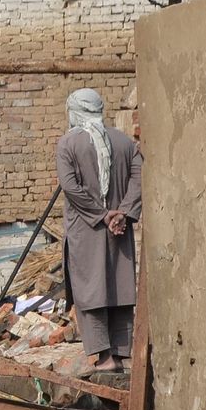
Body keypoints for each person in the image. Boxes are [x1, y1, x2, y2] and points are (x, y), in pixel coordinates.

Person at [56, 87, 142, 372]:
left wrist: (102, 216)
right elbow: (139, 179)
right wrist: (124, 214)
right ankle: (121, 356)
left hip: (87, 230)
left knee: (91, 291)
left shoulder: (68, 144)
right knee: (119, 288)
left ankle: (104, 358)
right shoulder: (125, 142)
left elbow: (70, 188)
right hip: (119, 230)